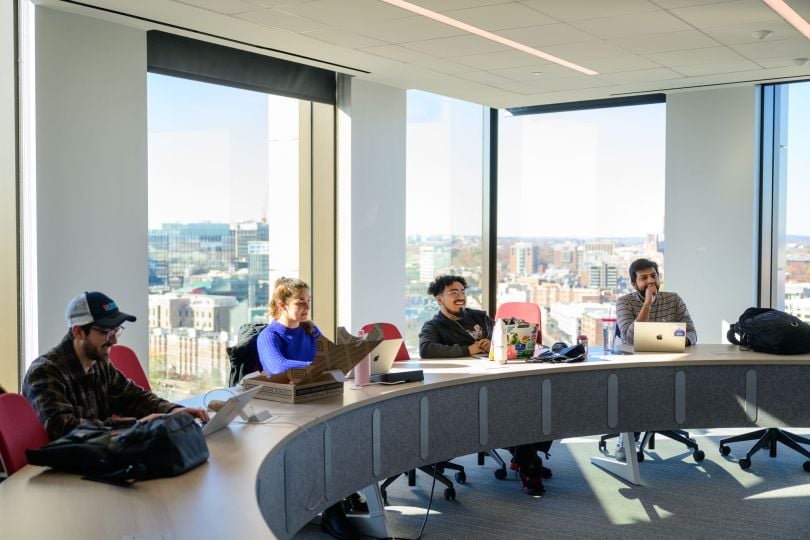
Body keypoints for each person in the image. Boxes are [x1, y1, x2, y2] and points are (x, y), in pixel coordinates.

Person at [419, 275, 552, 496]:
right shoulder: (434, 325)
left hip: (495, 378)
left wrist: (493, 342)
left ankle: (524, 456)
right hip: (464, 389)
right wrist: (467, 350)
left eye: (462, 292)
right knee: (512, 409)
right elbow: (426, 349)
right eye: (453, 293)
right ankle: (529, 465)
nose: (460, 296)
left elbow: (503, 335)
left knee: (537, 399)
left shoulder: (479, 316)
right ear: (439, 299)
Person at [22, 291, 209, 442]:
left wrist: (172, 411)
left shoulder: (100, 364)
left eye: (116, 331)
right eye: (106, 332)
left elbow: (133, 398)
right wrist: (137, 425)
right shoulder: (45, 372)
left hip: (97, 458)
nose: (114, 341)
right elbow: (63, 428)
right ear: (78, 331)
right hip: (61, 472)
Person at [256, 277, 362, 539]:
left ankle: (344, 493)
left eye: (308, 301)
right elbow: (279, 367)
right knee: (323, 442)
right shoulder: (269, 335)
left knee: (351, 429)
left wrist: (347, 354)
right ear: (282, 304)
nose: (306, 307)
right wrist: (318, 367)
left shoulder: (310, 330)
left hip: (314, 397)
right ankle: (332, 512)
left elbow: (331, 356)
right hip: (285, 410)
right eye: (300, 302)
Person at [613, 258, 697, 460]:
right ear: (634, 283)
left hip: (669, 365)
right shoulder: (624, 302)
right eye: (644, 278)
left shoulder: (674, 299)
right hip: (634, 367)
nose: (651, 281)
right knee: (634, 389)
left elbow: (692, 334)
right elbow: (631, 338)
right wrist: (647, 305)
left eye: (653, 276)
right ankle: (627, 437)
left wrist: (672, 341)